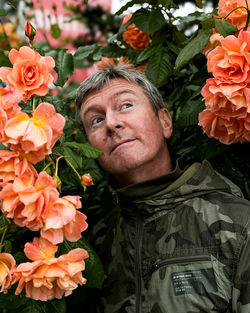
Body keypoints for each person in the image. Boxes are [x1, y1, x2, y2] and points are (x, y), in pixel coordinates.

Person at [75, 65, 250, 313]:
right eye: (96, 120)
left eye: (125, 105)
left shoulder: (240, 223)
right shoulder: (96, 243)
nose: (112, 123)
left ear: (165, 122)